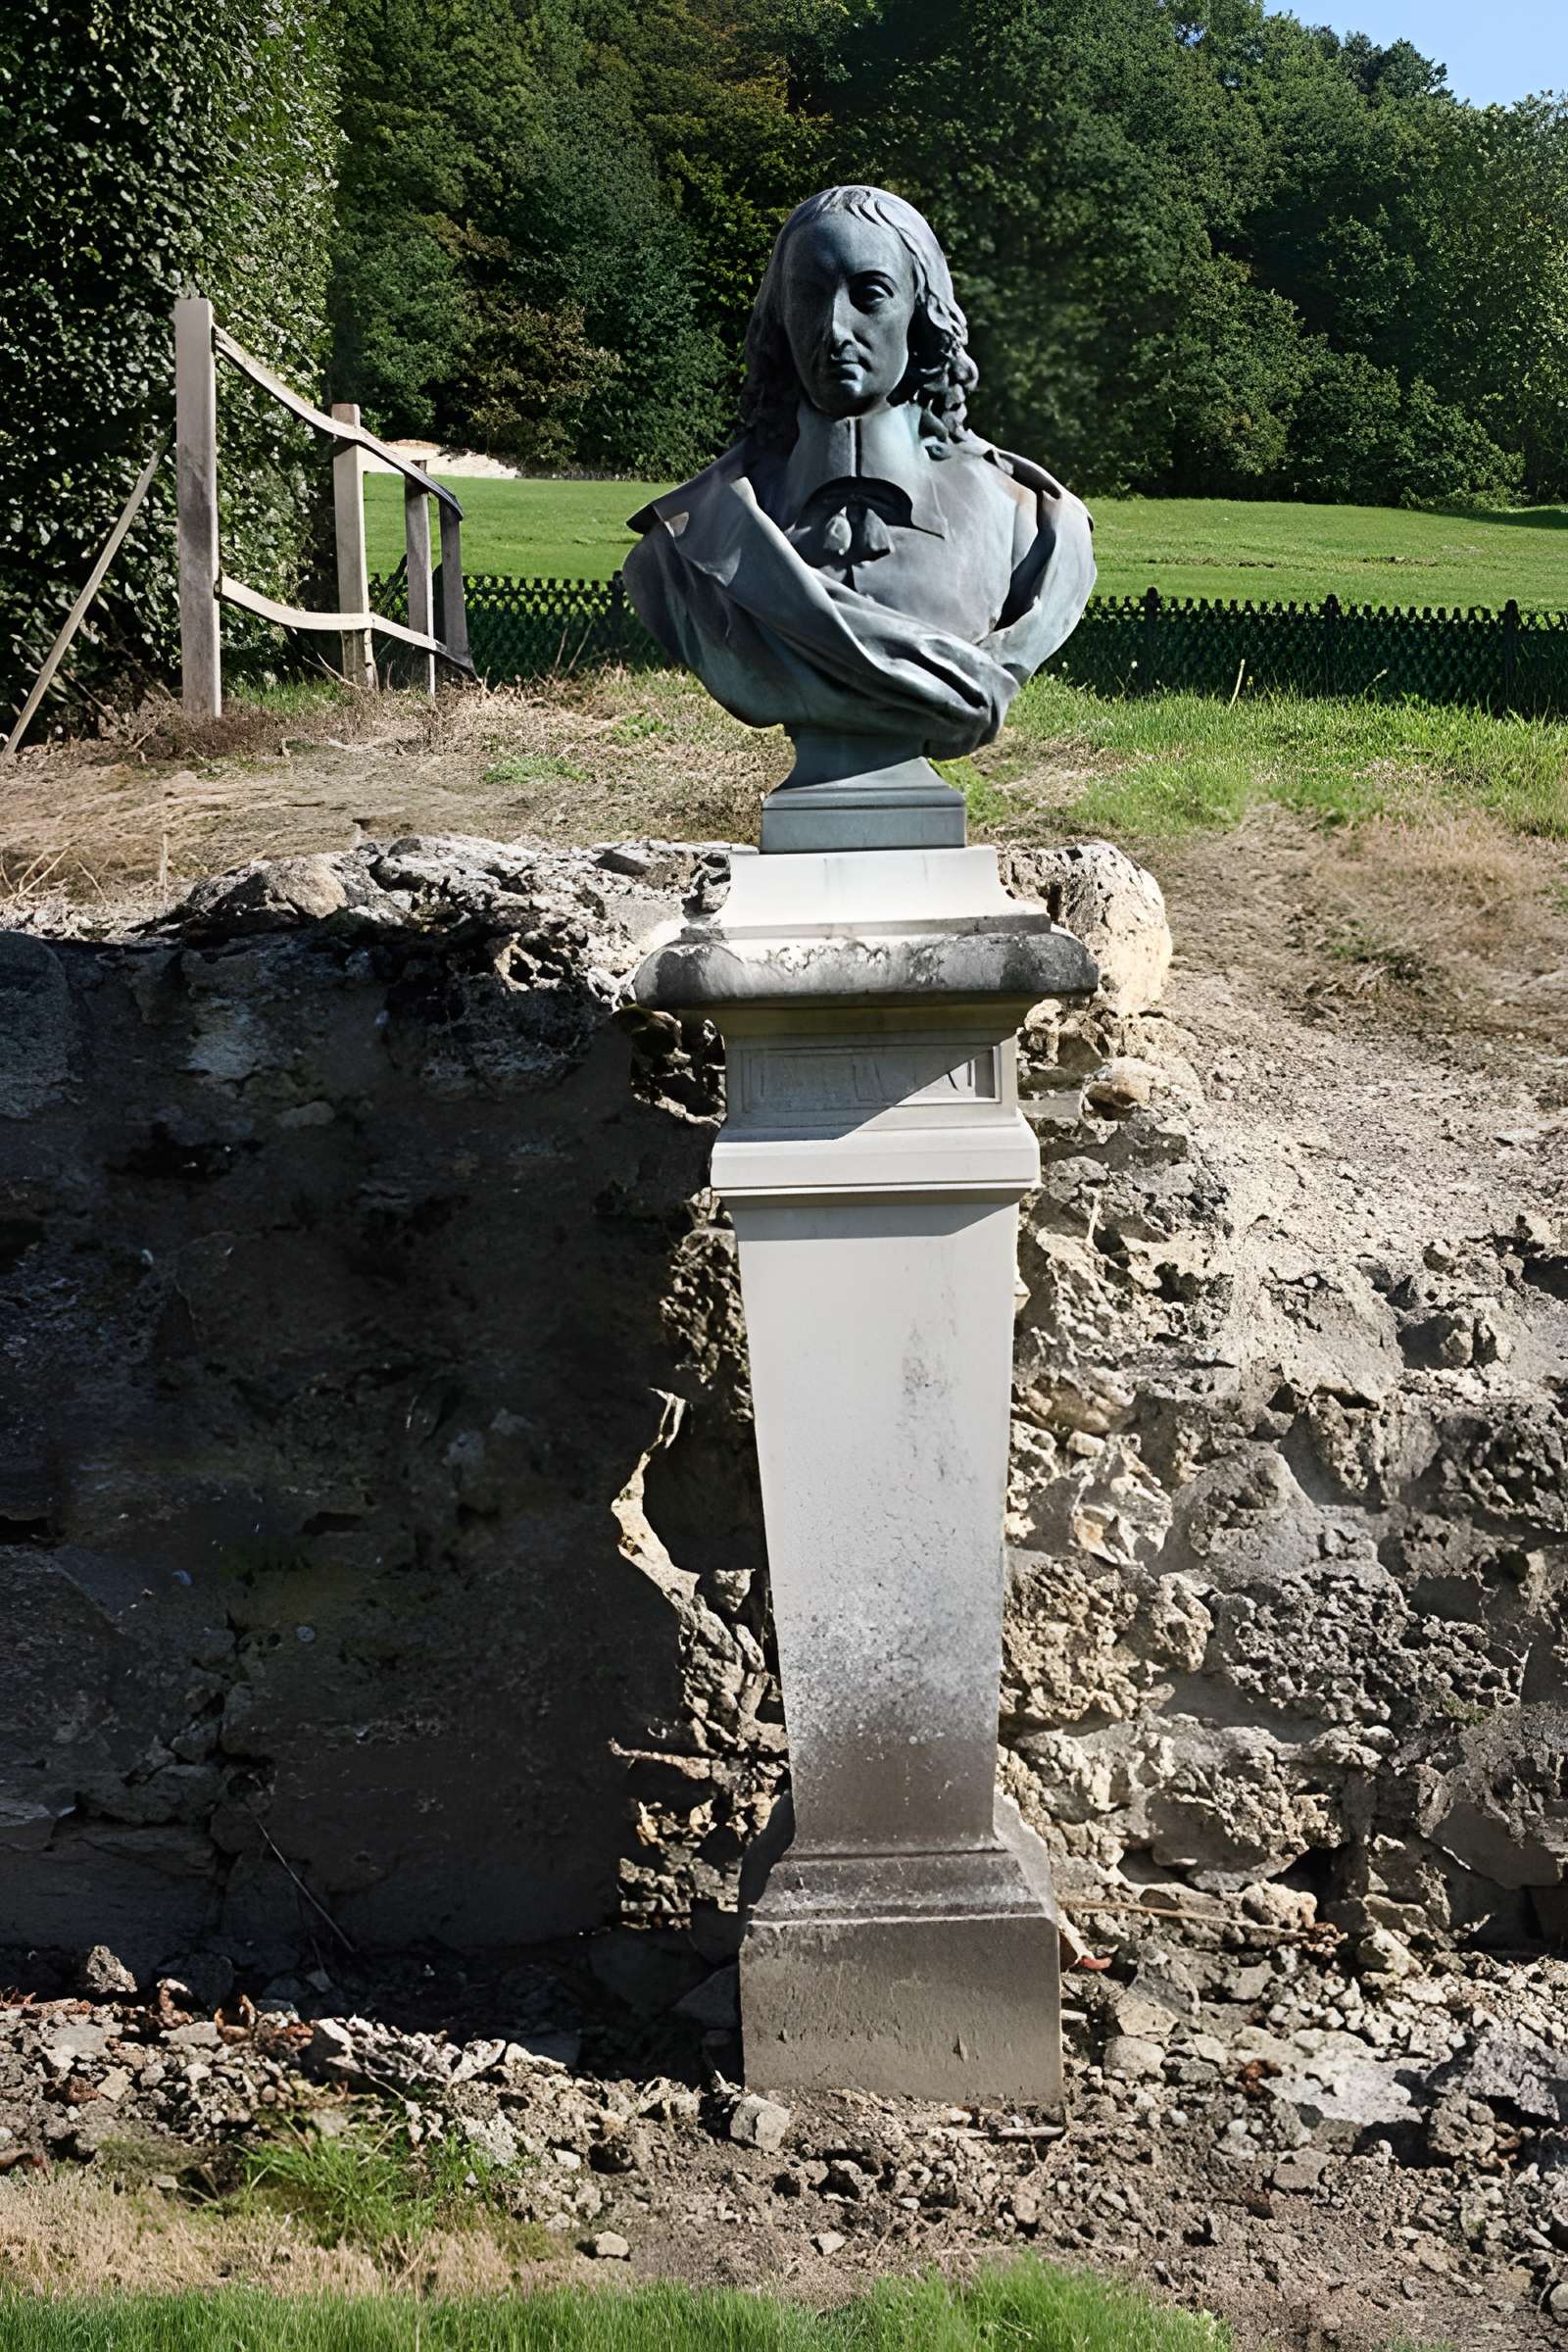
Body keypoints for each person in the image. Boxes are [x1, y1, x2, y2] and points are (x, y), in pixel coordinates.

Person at [624, 184, 1095, 801]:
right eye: (809, 297)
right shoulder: (692, 540)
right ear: (781, 316)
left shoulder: (1035, 527)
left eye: (869, 295)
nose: (835, 328)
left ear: (922, 316)